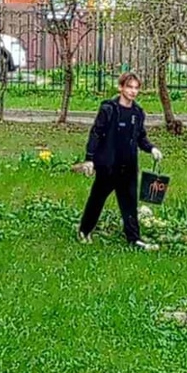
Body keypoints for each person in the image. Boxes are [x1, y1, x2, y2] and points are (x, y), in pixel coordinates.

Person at [78, 71, 162, 250]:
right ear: (121, 87)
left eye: (136, 88)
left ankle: (134, 239)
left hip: (129, 166)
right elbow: (96, 133)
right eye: (129, 87)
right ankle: (84, 231)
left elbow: (141, 137)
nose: (133, 91)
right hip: (108, 166)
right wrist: (90, 159)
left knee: (130, 203)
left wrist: (151, 148)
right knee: (97, 199)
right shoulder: (108, 109)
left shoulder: (138, 113)